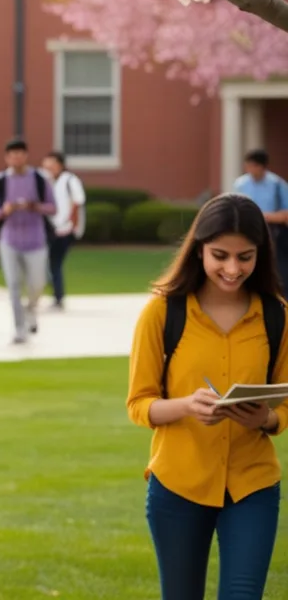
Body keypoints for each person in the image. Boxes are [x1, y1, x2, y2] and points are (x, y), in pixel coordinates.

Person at [127, 193, 286, 600]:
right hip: (178, 485)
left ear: (260, 254)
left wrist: (266, 420)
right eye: (220, 255)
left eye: (245, 257)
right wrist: (186, 405)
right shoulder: (162, 313)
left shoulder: (277, 315)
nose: (233, 269)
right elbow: (139, 404)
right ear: (198, 250)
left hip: (253, 485)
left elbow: (285, 402)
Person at [0, 138, 57, 344]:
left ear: (26, 155)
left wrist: (36, 207)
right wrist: (4, 211)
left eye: (20, 153)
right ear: (7, 158)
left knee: (37, 284)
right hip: (10, 240)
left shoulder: (39, 179)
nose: (16, 158)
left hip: (36, 239)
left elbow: (53, 207)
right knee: (13, 285)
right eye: (12, 154)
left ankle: (31, 310)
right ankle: (19, 329)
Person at [233, 148, 288, 295]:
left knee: (277, 269)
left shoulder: (277, 184)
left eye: (252, 165)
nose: (249, 169)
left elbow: (286, 214)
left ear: (262, 166)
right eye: (247, 165)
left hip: (272, 232)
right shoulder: (241, 184)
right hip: (247, 228)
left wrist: (264, 216)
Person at [42, 151, 86, 310]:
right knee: (46, 261)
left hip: (65, 229)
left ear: (60, 165)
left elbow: (77, 202)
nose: (48, 169)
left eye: (51, 165)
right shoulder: (49, 182)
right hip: (53, 227)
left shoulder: (70, 180)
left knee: (54, 262)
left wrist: (70, 225)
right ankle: (55, 293)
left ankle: (58, 297)